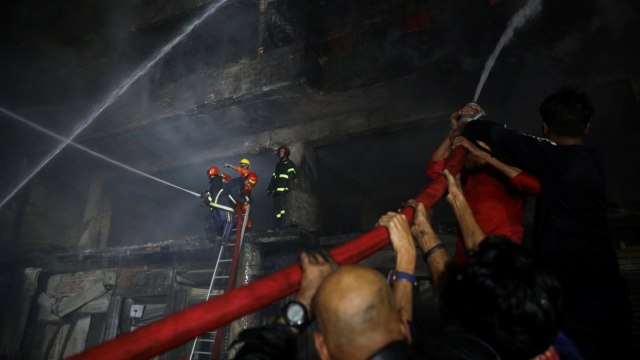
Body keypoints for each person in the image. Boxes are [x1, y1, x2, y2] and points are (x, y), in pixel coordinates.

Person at [461, 88, 632, 358]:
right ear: (587, 126)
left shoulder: (550, 158)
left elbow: (498, 135)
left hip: (570, 290)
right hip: (606, 283)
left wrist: (470, 121)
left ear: (546, 128)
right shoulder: (593, 159)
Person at [427, 109, 540, 262]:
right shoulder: (470, 174)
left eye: (467, 151)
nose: (462, 156)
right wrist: (454, 133)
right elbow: (435, 170)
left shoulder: (508, 168)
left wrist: (484, 155)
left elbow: (534, 186)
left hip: (502, 252)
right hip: (467, 249)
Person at [266, 145, 297, 229]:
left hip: (284, 191)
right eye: (280, 151)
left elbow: (292, 176)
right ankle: (278, 226)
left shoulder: (290, 163)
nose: (281, 153)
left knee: (284, 209)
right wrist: (269, 189)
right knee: (277, 211)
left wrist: (288, 186)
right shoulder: (278, 165)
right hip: (276, 192)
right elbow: (274, 178)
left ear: (286, 153)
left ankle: (284, 225)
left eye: (282, 151)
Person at [225, 159, 258, 230]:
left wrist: (230, 166)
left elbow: (241, 171)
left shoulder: (250, 173)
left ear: (247, 165)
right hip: (240, 193)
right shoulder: (242, 177)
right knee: (237, 209)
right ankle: (238, 226)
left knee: (244, 209)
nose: (241, 166)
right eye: (240, 164)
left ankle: (247, 227)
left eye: (243, 164)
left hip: (246, 192)